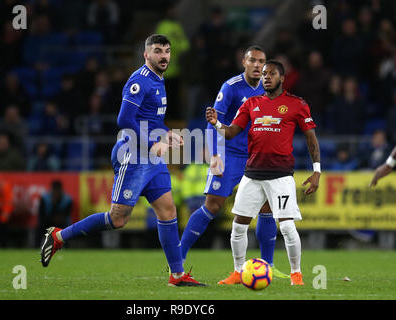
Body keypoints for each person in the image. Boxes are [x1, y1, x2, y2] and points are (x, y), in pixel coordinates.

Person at [39, 34, 205, 287]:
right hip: (133, 156)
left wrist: (165, 133)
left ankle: (177, 275)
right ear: (146, 54)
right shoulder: (139, 81)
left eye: (167, 51)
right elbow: (124, 121)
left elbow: (151, 120)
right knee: (118, 219)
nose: (164, 56)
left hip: (152, 158)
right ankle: (60, 236)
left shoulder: (160, 81)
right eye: (158, 51)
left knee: (168, 210)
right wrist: (152, 142)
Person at [180, 46, 289, 285]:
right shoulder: (230, 87)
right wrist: (215, 154)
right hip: (229, 155)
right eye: (253, 60)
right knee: (213, 205)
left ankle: (267, 266)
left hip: (257, 157)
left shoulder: (270, 88)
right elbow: (213, 122)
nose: (258, 65)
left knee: (267, 209)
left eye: (261, 61)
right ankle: (178, 259)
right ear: (244, 62)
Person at [206, 60, 321, 285]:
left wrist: (317, 171)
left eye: (272, 74)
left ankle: (296, 274)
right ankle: (238, 272)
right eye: (265, 74)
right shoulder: (251, 103)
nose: (266, 77)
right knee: (239, 225)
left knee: (287, 226)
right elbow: (232, 132)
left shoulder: (296, 104)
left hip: (280, 175)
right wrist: (217, 123)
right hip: (252, 174)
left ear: (282, 78)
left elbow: (311, 138)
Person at [37, 180, 72, 246]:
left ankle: (67, 247)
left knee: (68, 228)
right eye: (54, 190)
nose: (56, 192)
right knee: (39, 228)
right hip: (47, 222)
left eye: (57, 190)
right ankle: (36, 246)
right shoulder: (45, 199)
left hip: (61, 223)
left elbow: (67, 214)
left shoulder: (67, 200)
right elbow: (41, 215)